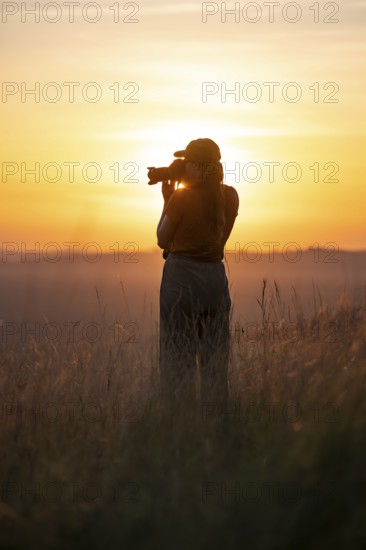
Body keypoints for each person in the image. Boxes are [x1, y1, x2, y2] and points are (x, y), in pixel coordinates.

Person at [156, 138, 239, 413]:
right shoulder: (230, 196)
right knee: (215, 357)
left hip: (181, 279)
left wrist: (168, 201)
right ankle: (217, 422)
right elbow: (220, 242)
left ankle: (180, 421)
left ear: (199, 167)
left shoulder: (181, 197)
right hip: (215, 280)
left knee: (176, 355)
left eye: (188, 162)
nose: (183, 166)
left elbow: (162, 239)